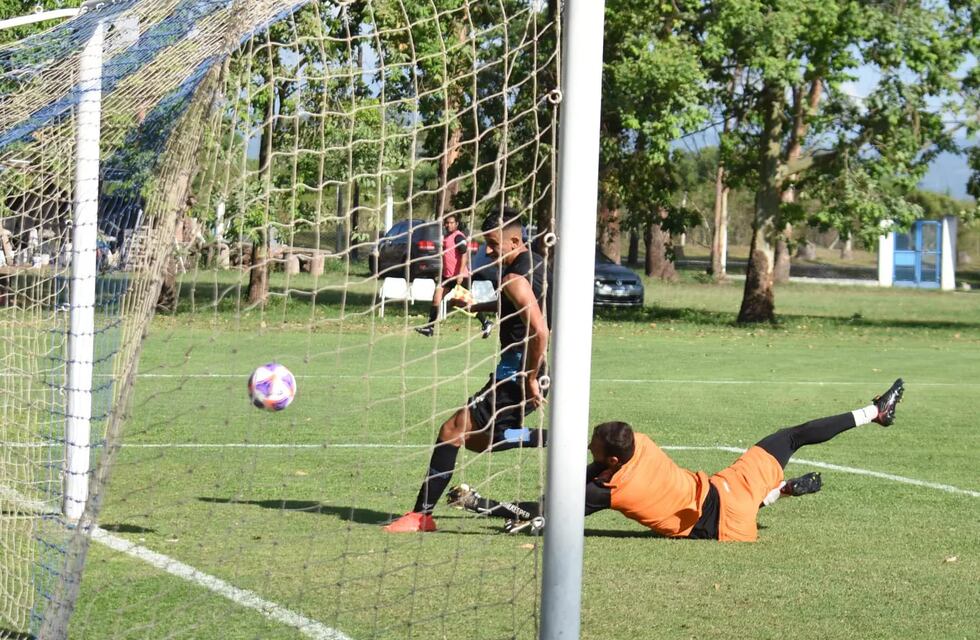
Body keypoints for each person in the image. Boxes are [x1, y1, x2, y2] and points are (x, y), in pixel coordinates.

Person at [447, 379, 905, 541]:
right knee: (792, 436)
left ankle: (777, 493)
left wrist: (476, 502)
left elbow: (543, 511)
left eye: (593, 447)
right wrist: (503, 434)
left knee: (551, 507)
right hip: (726, 487)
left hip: (722, 522)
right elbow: (559, 440)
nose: (587, 446)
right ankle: (874, 414)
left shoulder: (609, 490)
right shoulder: (637, 443)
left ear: (609, 458)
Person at [385, 208, 552, 533]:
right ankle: (545, 438)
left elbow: (539, 330)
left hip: (518, 372)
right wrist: (479, 306)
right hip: (534, 369)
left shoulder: (513, 278)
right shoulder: (538, 264)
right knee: (481, 440)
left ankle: (421, 516)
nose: (487, 251)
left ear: (514, 240)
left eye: (492, 244)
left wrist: (530, 378)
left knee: (452, 430)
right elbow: (525, 304)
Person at [415, 213, 494, 339]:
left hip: (460, 276)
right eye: (447, 222)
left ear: (457, 224)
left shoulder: (458, 237)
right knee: (437, 297)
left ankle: (486, 322)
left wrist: (460, 274)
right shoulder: (447, 237)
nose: (449, 225)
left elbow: (464, 254)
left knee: (465, 303)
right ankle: (429, 327)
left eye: (451, 222)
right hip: (447, 276)